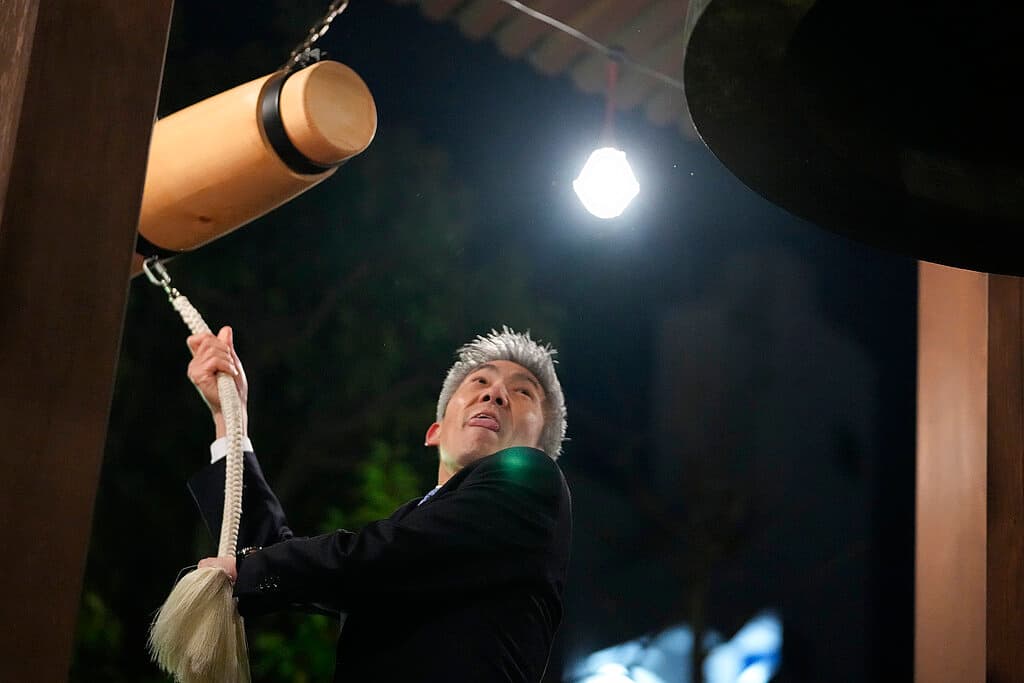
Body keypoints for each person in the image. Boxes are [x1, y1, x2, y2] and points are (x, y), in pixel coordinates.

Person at [185, 325, 572, 682]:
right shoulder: (402, 538)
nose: (495, 393)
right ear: (435, 432)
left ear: (540, 448)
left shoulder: (533, 477)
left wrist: (253, 568)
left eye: (523, 392)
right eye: (480, 381)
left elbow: (377, 558)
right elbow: (279, 555)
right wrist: (228, 417)